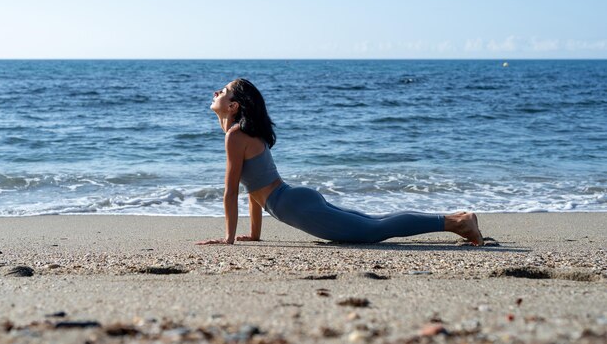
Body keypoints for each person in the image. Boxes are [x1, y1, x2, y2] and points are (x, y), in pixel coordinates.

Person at [197, 79, 484, 246]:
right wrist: (254, 235)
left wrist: (229, 239)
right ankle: (456, 218)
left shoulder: (235, 136)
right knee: (375, 223)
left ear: (234, 106)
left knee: (373, 231)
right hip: (294, 200)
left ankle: (456, 222)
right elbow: (253, 190)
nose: (216, 93)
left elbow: (231, 191)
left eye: (222, 92)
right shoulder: (243, 134)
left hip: (292, 204)